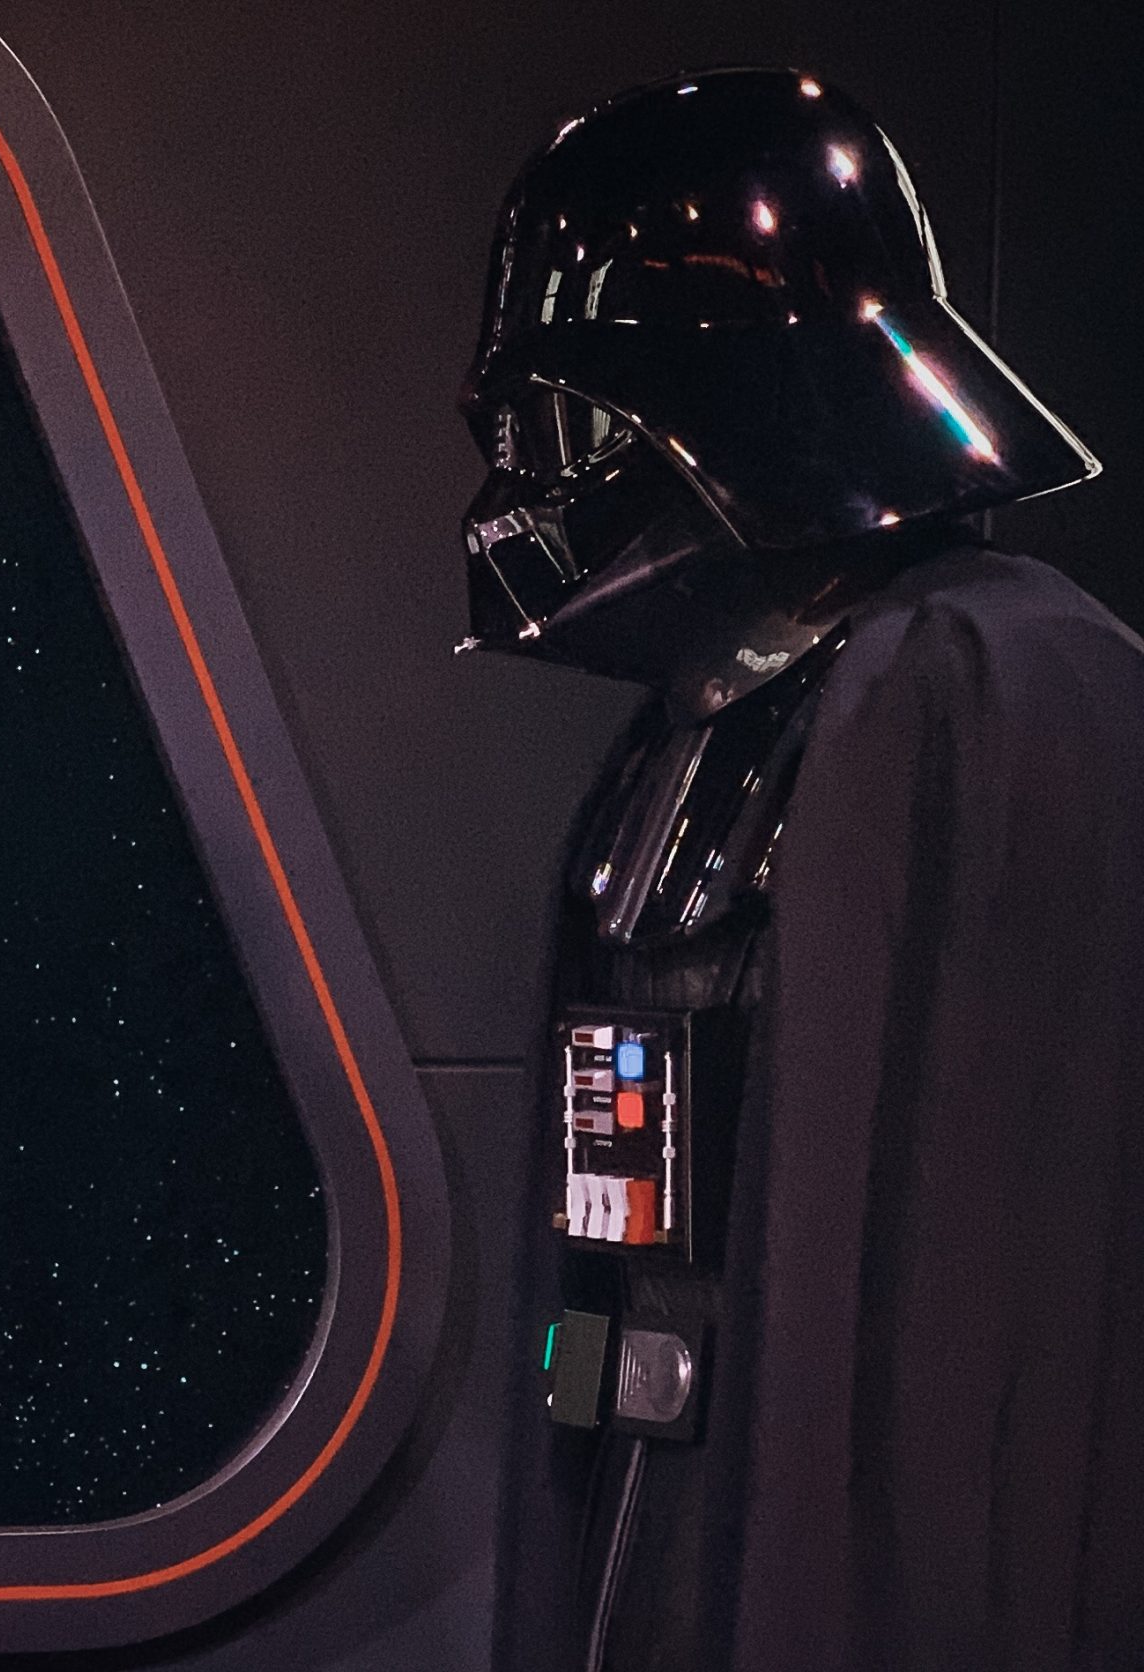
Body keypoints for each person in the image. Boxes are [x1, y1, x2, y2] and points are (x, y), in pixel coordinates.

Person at [456, 70, 1144, 1671]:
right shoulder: (719, 710)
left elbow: (999, 1289)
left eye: (560, 423)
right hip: (663, 1471)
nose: (529, 485)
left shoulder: (997, 688)